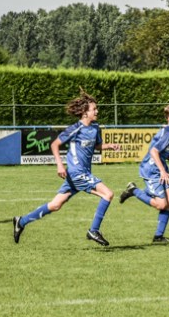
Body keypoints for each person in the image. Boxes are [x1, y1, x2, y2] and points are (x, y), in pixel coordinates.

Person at [13, 90, 122, 247]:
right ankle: (94, 230)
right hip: (77, 173)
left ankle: (21, 221)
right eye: (94, 109)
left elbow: (97, 145)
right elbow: (54, 144)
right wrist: (59, 164)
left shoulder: (95, 127)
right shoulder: (75, 128)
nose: (97, 111)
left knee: (55, 205)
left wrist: (109, 146)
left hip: (81, 174)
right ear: (85, 112)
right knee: (108, 194)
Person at [118, 103, 169, 244]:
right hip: (152, 170)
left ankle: (158, 237)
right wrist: (163, 171)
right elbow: (153, 151)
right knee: (161, 205)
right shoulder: (168, 132)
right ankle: (134, 191)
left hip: (160, 169)